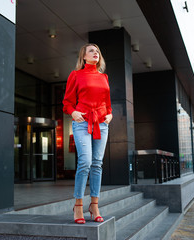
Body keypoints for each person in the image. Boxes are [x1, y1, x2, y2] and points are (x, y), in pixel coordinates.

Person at [63, 43, 113, 224]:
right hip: (82, 122)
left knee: (97, 164)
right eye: (91, 51)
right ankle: (78, 205)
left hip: (102, 123)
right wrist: (73, 112)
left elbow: (108, 103)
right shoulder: (76, 75)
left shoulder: (104, 77)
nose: (95, 53)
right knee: (85, 161)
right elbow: (67, 102)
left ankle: (94, 205)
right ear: (83, 56)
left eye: (98, 51)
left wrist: (110, 114)